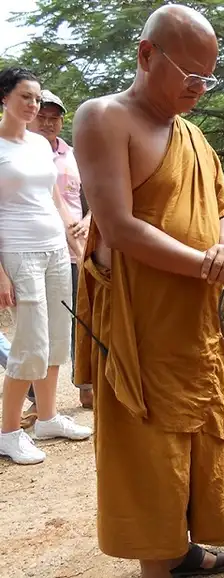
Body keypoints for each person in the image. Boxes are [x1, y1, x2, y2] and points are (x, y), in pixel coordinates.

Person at [71, 5, 224, 577]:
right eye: (191, 76)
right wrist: (215, 268)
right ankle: (158, 566)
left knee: (197, 439)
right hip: (143, 328)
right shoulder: (104, 118)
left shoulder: (193, 135)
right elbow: (119, 226)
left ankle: (185, 552)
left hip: (195, 324)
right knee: (151, 453)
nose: (201, 90)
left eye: (208, 78)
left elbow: (222, 208)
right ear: (146, 55)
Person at [0, 67, 91, 465]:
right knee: (30, 344)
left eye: (36, 98)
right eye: (25, 97)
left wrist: (74, 244)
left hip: (55, 248)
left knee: (57, 338)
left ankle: (49, 417)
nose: (33, 105)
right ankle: (8, 432)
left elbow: (55, 200)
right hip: (18, 252)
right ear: (4, 98)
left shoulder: (39, 144)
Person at [27, 89, 93, 410]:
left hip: (76, 251)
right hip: (36, 249)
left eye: (54, 118)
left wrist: (90, 222)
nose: (48, 123)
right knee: (40, 323)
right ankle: (34, 394)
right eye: (43, 117)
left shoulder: (73, 155)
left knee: (81, 320)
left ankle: (86, 386)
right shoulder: (22, 153)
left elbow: (92, 197)